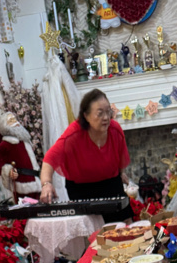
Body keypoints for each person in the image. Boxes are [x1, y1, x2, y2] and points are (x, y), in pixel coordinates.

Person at [39, 88, 130, 219]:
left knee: (125, 223)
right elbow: (49, 159)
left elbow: (120, 156)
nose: (106, 117)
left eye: (108, 111)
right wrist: (46, 184)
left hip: (111, 184)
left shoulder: (115, 130)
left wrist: (121, 173)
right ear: (86, 116)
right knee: (92, 229)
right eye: (100, 113)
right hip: (81, 190)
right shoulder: (73, 134)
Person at [0, 111, 41, 198]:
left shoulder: (24, 140)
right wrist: (9, 171)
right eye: (11, 121)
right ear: (5, 126)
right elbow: (1, 165)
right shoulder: (5, 144)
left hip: (36, 180)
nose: (15, 122)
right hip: (23, 184)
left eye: (14, 119)